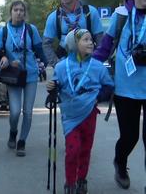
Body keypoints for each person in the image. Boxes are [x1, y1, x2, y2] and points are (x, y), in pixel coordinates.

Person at [93, 0, 146, 190]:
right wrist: (85, 71)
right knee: (130, 136)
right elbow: (104, 48)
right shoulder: (122, 15)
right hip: (126, 88)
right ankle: (120, 162)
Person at [47, 29, 114, 194]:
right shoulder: (62, 67)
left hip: (89, 114)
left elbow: (109, 86)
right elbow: (56, 85)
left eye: (91, 39)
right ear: (74, 44)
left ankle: (81, 180)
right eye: (85, 40)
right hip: (70, 116)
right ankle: (70, 183)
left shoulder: (98, 67)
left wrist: (97, 97)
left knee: (85, 149)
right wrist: (52, 88)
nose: (91, 42)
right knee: (73, 150)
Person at [0, 0, 48, 156]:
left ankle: (22, 141)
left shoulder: (31, 30)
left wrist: (48, 65)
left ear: (25, 13)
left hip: (30, 74)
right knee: (15, 111)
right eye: (15, 10)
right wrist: (4, 59)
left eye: (21, 10)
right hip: (13, 75)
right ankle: (13, 131)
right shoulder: (3, 32)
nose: (19, 13)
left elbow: (39, 50)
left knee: (28, 112)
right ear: (10, 12)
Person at [42, 0, 103, 67]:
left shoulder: (90, 12)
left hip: (89, 61)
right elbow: (46, 43)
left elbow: (100, 39)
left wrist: (97, 61)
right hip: (64, 61)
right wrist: (56, 64)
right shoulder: (53, 17)